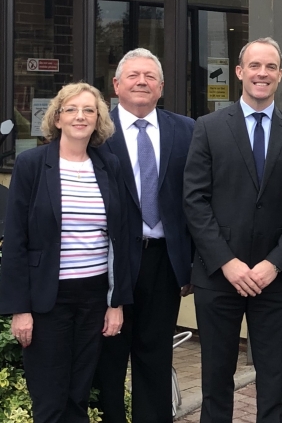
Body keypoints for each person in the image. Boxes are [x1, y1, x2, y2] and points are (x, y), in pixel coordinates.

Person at [183, 37, 282, 423]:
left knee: (274, 380)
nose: (262, 73)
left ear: (280, 75)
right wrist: (227, 262)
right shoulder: (208, 128)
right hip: (219, 276)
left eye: (270, 67)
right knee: (216, 379)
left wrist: (275, 264)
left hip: (273, 279)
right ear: (240, 72)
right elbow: (194, 200)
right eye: (254, 66)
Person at [0, 82, 131, 423]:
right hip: (47, 300)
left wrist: (115, 302)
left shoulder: (108, 165)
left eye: (89, 110)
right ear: (57, 118)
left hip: (93, 296)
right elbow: (15, 240)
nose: (80, 116)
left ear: (98, 119)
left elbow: (121, 237)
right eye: (71, 109)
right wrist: (20, 309)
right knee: (50, 399)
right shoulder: (32, 164)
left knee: (78, 395)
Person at [92, 48, 195, 423]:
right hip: (110, 261)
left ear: (162, 87)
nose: (141, 82)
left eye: (150, 76)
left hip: (164, 261)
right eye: (133, 75)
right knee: (110, 358)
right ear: (117, 85)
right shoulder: (96, 132)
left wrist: (191, 264)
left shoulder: (186, 129)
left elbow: (198, 199)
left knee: (155, 357)